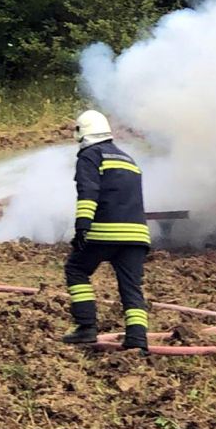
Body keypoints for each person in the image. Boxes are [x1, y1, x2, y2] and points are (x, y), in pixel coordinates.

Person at [62, 110, 150, 351]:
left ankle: (86, 327)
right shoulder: (127, 159)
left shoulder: (90, 155)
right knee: (131, 288)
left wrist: (82, 227)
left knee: (76, 269)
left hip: (105, 232)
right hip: (137, 235)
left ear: (82, 132)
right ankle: (138, 341)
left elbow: (88, 191)